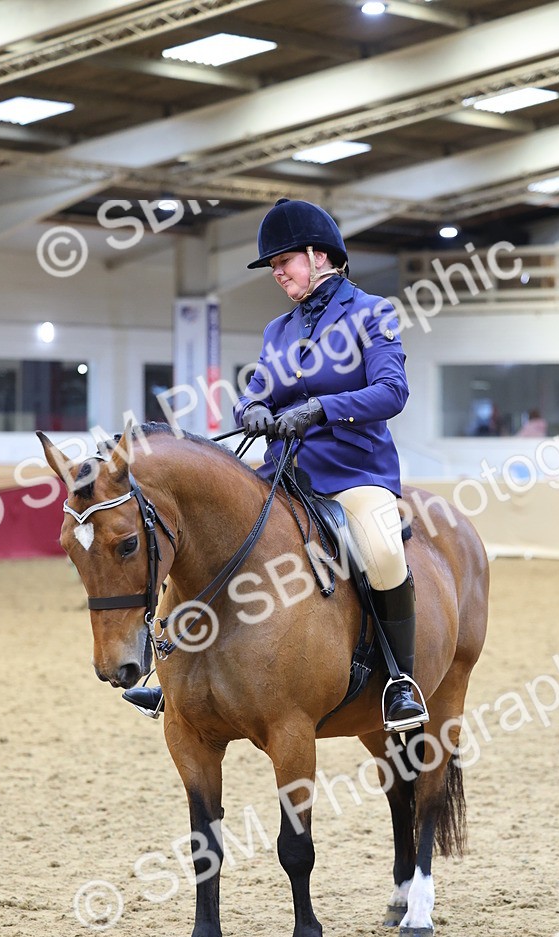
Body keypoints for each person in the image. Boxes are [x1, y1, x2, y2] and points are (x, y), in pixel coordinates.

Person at [125, 198, 427, 733]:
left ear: (317, 256)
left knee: (382, 550)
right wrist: (256, 409)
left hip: (354, 475)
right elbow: (256, 392)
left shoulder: (372, 313)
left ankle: (400, 681)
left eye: (282, 262)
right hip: (284, 475)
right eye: (273, 266)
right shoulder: (278, 331)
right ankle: (174, 670)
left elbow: (391, 391)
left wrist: (320, 409)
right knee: (211, 543)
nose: (277, 273)